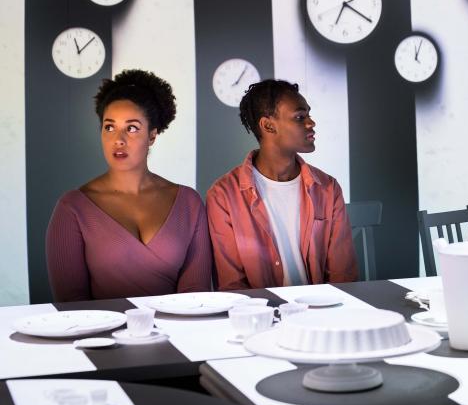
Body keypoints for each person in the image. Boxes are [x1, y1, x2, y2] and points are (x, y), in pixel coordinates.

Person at [46, 70, 213, 302]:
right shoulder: (72, 208)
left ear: (152, 136)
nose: (119, 139)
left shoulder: (188, 203)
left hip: (176, 334)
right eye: (109, 127)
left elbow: (196, 298)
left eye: (132, 128)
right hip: (101, 337)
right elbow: (72, 308)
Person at [206, 79, 357, 290]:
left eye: (309, 115)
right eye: (300, 117)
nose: (311, 123)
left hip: (322, 314)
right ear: (268, 125)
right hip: (260, 316)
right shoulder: (223, 196)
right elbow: (232, 285)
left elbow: (343, 276)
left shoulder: (328, 188)